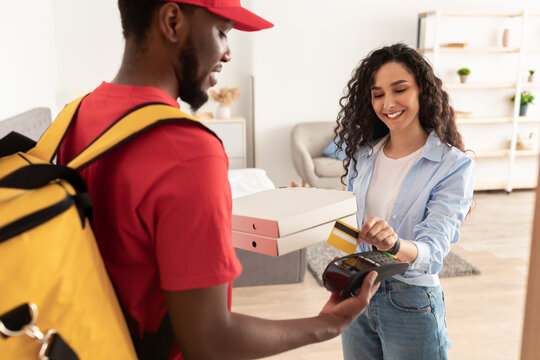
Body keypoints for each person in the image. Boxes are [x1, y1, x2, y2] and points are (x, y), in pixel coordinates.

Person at [57, 1, 378, 359]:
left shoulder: (76, 116)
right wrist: (329, 325)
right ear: (172, 21)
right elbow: (209, 340)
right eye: (223, 32)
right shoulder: (187, 148)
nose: (227, 53)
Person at [333, 43, 474, 360]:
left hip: (410, 301)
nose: (388, 103)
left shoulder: (453, 166)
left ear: (422, 91)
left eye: (399, 90)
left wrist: (394, 244)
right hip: (357, 292)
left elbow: (433, 251)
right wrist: (312, 217)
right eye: (378, 93)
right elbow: (351, 235)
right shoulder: (364, 156)